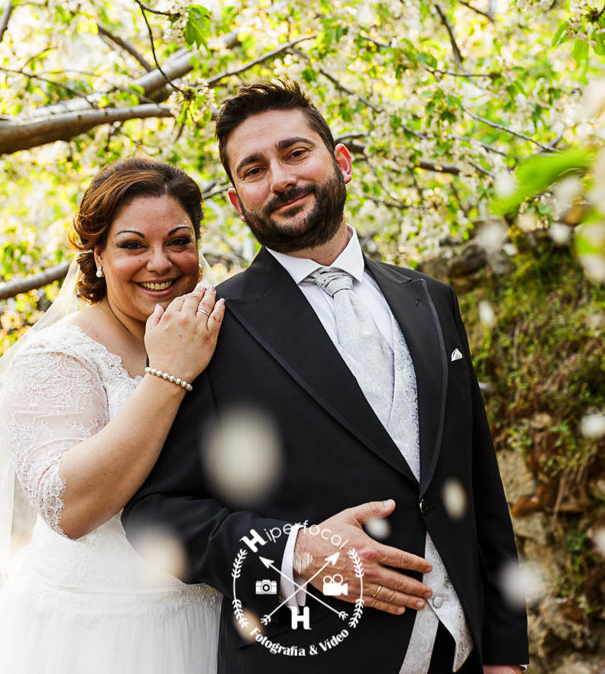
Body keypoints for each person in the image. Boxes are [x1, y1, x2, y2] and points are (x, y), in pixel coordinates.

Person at [124, 82, 529, 673]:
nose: (281, 179)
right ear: (238, 201)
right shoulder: (209, 326)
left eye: (295, 153)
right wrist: (294, 551)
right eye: (254, 169)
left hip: (459, 653)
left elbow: (478, 486)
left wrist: (504, 652)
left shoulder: (431, 300)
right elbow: (155, 513)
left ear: (339, 162)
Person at [0, 158, 226, 673]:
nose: (161, 262)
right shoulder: (57, 356)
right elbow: (72, 509)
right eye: (132, 245)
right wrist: (168, 374)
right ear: (97, 255)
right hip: (97, 634)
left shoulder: (213, 330)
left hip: (215, 614)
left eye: (178, 241)